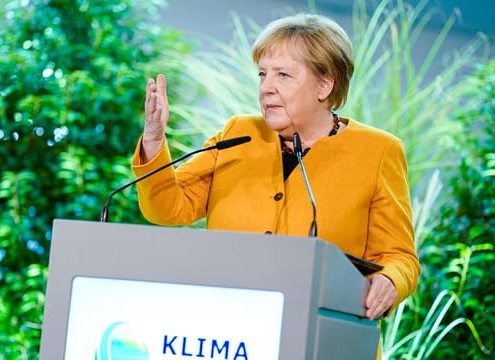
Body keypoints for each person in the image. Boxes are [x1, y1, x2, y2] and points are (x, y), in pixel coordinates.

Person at [132, 12, 419, 337]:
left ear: (324, 85)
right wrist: (154, 140)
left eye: (283, 75)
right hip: (230, 333)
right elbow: (167, 207)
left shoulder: (378, 151)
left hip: (323, 339)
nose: (266, 88)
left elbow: (400, 256)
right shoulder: (237, 132)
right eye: (263, 74)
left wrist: (391, 279)